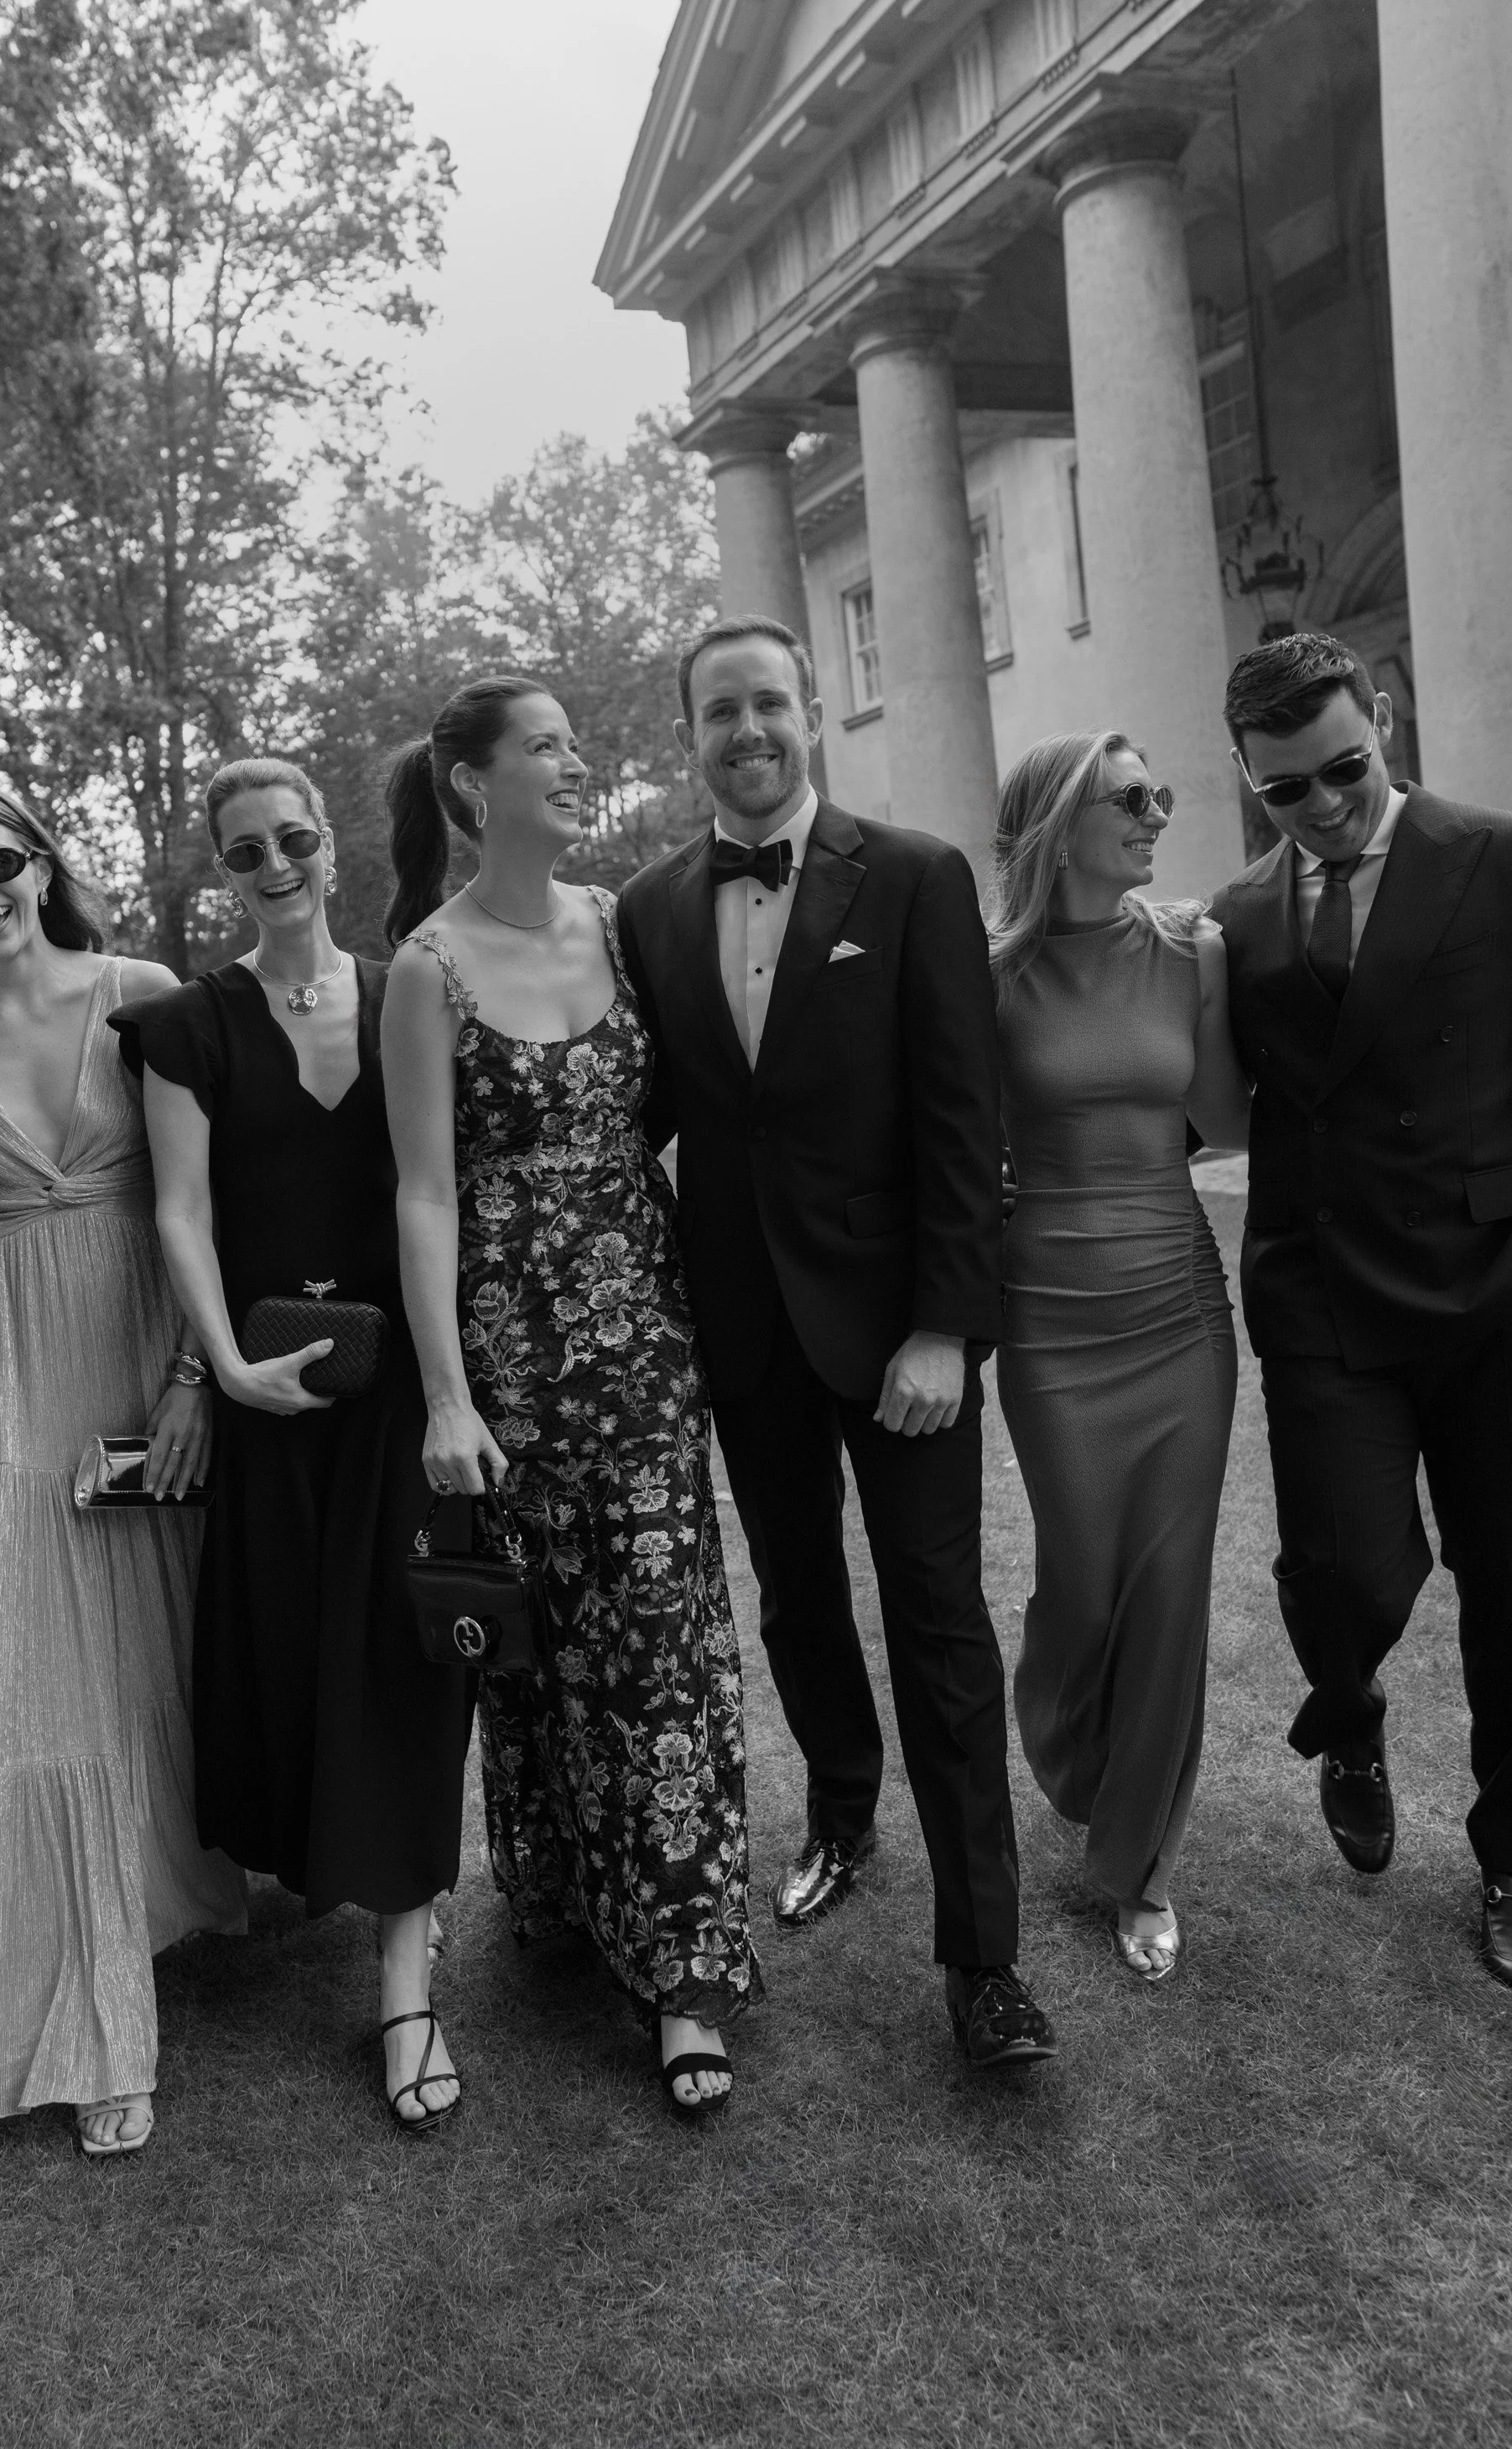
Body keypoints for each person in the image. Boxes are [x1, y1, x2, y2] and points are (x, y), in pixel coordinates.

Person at [616, 614, 1056, 2068]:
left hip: (896, 1337)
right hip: (740, 1328)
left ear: (813, 714)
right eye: (716, 714)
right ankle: (843, 1808)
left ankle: (982, 1959)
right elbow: (638, 1122)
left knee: (936, 1619)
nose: (745, 733)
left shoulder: (918, 877)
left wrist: (944, 1329)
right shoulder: (651, 909)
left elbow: (959, 1123)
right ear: (690, 738)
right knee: (797, 1600)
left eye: (767, 705)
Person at [0, 783, 246, 2197]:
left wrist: (200, 1379)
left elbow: (223, 1189)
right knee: (28, 1689)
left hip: (153, 1349)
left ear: (44, 863)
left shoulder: (143, 991)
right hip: (8, 1375)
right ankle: (84, 2023)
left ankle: (189, 1882)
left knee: (165, 1646)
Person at [382, 675, 761, 2118]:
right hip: (510, 1356)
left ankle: (682, 1975)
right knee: (538, 1655)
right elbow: (422, 1192)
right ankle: (563, 1904)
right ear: (473, 783)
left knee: (663, 1642)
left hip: (645, 1340)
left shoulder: (618, 921)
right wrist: (444, 1398)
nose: (575, 761)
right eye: (545, 746)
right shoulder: (429, 967)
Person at [122, 759, 476, 2134]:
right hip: (269, 1398)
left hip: (408, 1394)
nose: (272, 863)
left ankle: (405, 1988)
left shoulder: (411, 994)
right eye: (242, 849)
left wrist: (454, 1386)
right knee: (288, 1663)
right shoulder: (187, 1026)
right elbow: (178, 1216)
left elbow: (438, 1188)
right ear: (221, 869)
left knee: (402, 1657)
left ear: (332, 848)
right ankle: (320, 1882)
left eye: (293, 838)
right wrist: (218, 1367)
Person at [1212, 631, 1512, 1989]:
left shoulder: (1491, 859)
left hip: (1490, 1282)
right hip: (1323, 1290)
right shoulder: (1239, 915)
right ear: (1247, 783)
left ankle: (1507, 1861)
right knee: (1345, 1568)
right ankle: (1348, 1720)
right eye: (1287, 790)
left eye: (1344, 768)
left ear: (1381, 720)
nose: (1324, 806)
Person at [990, 731, 1248, 1982]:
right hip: (1044, 1318)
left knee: (1167, 1588)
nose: (1158, 814)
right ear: (1057, 821)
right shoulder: (987, 977)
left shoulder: (1191, 950)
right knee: (1079, 1584)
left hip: (1176, 1309)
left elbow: (1229, 1118)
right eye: (1130, 797)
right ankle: (1068, 1745)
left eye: (1161, 796)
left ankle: (1140, 1860)